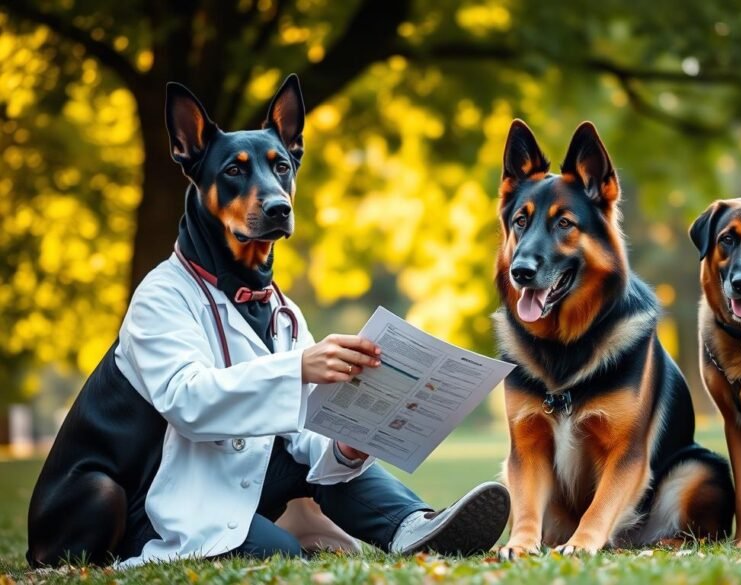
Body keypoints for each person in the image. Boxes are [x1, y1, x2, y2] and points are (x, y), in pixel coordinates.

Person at [25, 74, 510, 567]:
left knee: (327, 459)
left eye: (280, 169)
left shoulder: (282, 312)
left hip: (212, 476)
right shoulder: (161, 296)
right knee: (278, 552)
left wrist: (345, 445)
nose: (271, 192)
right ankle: (137, 548)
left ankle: (413, 527)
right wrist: (300, 368)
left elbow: (303, 433)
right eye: (237, 174)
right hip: (131, 496)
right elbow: (186, 400)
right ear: (192, 165)